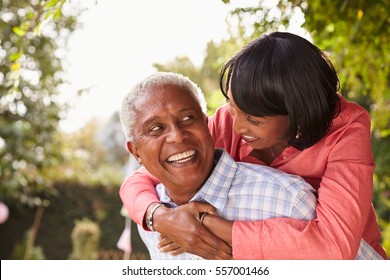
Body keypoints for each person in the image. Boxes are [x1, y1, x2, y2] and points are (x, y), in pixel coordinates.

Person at [120, 32, 387, 259]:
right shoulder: (229, 120)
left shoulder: (347, 128)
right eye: (233, 108)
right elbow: (142, 177)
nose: (235, 128)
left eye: (253, 120)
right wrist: (160, 217)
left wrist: (202, 224)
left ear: (297, 116)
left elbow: (334, 248)